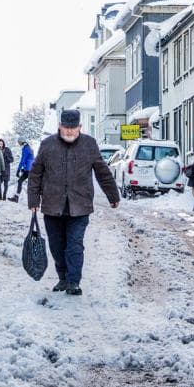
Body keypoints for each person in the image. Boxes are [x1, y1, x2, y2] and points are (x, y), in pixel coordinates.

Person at [28, 109, 120, 296]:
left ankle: (73, 282)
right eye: (66, 127)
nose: (69, 131)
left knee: (74, 244)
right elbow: (35, 174)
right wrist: (33, 199)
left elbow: (102, 172)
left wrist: (113, 195)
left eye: (73, 127)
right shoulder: (47, 145)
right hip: (53, 205)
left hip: (80, 205)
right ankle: (63, 277)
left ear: (80, 127)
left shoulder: (89, 144)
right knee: (56, 245)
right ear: (59, 126)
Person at [8, 137, 34, 203]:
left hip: (29, 170)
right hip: (30, 169)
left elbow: (23, 160)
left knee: (27, 184)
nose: (19, 144)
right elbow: (30, 160)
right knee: (20, 181)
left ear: (21, 142)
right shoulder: (29, 148)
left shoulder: (26, 149)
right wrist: (24, 168)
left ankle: (33, 201)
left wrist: (18, 170)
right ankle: (16, 197)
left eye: (19, 143)